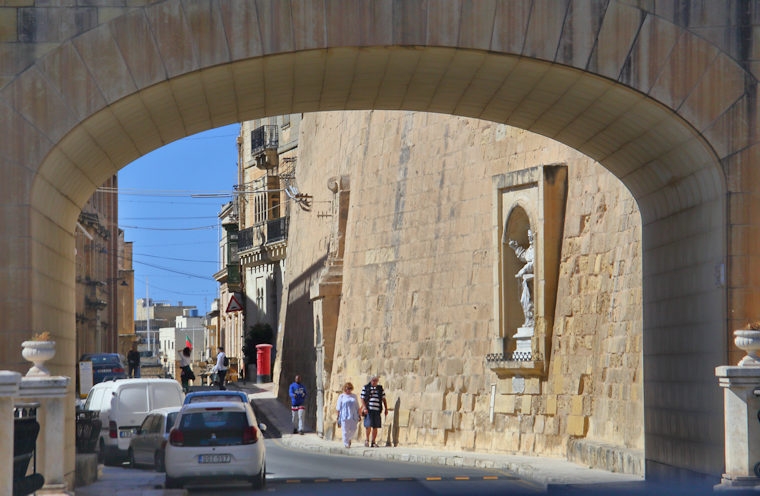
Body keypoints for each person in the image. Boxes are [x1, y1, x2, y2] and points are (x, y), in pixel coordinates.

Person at [508, 228, 535, 328]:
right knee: (524, 300)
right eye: (529, 237)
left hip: (532, 281)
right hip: (526, 281)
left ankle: (531, 319)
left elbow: (533, 263)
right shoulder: (531, 250)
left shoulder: (538, 249)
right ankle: (528, 319)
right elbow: (524, 256)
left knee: (529, 300)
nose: (530, 238)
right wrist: (515, 247)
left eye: (532, 236)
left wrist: (523, 270)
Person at [360, 375, 388, 447]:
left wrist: (386, 409)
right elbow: (362, 398)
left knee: (375, 426)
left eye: (376, 380)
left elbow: (383, 399)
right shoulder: (366, 388)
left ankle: (373, 442)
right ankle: (367, 440)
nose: (374, 382)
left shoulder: (380, 389)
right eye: (373, 380)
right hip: (369, 410)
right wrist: (365, 408)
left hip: (377, 410)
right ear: (371, 380)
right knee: (368, 425)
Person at [336, 382, 361, 448]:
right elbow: (338, 407)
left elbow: (357, 406)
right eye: (347, 388)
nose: (348, 390)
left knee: (354, 429)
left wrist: (359, 414)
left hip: (353, 415)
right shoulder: (341, 396)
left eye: (350, 388)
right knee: (345, 430)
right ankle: (346, 444)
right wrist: (338, 417)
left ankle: (349, 439)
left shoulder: (354, 396)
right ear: (345, 388)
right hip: (344, 415)